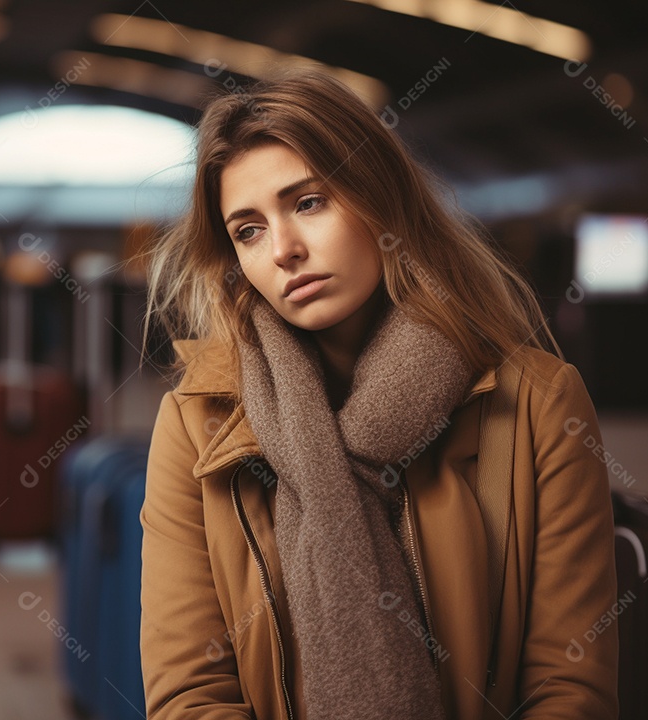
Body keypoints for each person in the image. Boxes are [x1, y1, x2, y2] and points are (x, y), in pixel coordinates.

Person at [139, 69, 618, 720]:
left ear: (380, 198)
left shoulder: (538, 403)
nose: (283, 250)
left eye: (309, 203)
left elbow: (568, 689)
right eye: (248, 230)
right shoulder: (196, 424)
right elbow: (190, 695)